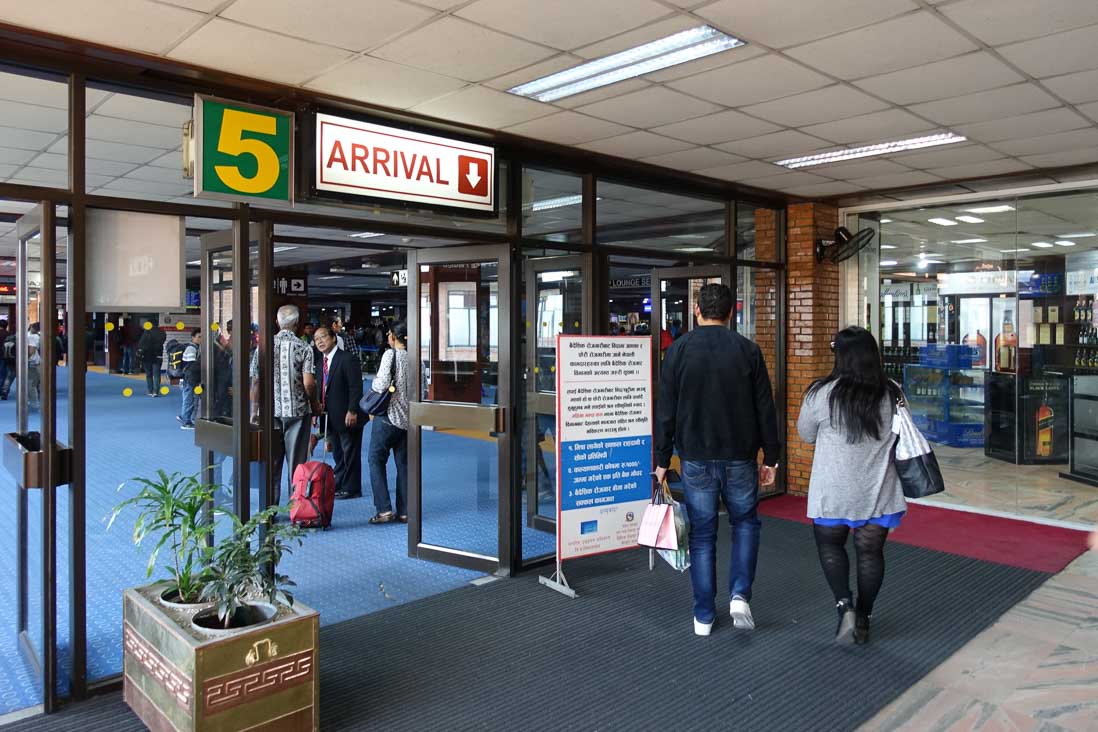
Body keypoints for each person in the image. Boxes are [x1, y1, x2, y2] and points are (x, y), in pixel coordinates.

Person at [654, 283, 779, 637]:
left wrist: (662, 459)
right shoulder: (748, 351)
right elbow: (764, 409)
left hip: (694, 458)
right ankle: (739, 594)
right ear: (731, 313)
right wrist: (771, 457)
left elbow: (666, 412)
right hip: (740, 457)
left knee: (703, 535)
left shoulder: (677, 352)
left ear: (697, 310)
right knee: (745, 524)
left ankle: (704, 616)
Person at [797, 326, 907, 646]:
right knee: (870, 552)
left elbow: (806, 434)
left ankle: (844, 605)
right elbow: (903, 434)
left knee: (831, 546)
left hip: (832, 491)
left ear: (839, 356)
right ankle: (864, 616)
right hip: (878, 491)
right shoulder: (892, 392)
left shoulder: (821, 393)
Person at [250, 305, 319, 506]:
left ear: (277, 322)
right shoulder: (304, 347)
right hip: (297, 412)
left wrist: (254, 411)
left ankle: (270, 509)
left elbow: (255, 382)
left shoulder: (262, 347)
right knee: (297, 464)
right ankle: (296, 508)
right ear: (297, 324)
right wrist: (314, 404)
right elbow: (308, 383)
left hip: (269, 413)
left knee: (272, 462)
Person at [314, 325, 364, 499]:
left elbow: (355, 387)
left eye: (323, 337)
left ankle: (352, 488)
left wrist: (352, 410)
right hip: (330, 417)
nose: (320, 341)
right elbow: (321, 389)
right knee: (337, 452)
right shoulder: (321, 362)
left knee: (350, 452)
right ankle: (340, 482)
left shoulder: (347, 358)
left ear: (334, 338)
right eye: (316, 339)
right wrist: (316, 411)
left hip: (348, 414)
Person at [367, 321, 409, 524]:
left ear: (393, 336)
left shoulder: (390, 355)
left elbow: (381, 383)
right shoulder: (416, 358)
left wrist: (374, 382)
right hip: (408, 420)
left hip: (387, 417)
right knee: (404, 465)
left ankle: (384, 509)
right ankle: (405, 511)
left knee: (375, 460)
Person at [178, 328, 201, 430]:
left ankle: (185, 417)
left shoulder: (195, 347)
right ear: (193, 338)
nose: (201, 339)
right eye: (199, 337)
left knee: (189, 399)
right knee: (190, 400)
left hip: (189, 378)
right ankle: (186, 422)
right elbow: (192, 366)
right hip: (190, 379)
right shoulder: (192, 349)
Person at [137, 320, 166, 397]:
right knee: (156, 374)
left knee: (149, 375)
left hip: (147, 356)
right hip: (158, 356)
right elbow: (162, 342)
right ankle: (156, 391)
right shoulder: (161, 332)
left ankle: (150, 391)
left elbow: (141, 344)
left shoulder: (146, 332)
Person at [26, 322, 41, 408]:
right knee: (32, 385)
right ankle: (33, 403)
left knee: (31, 385)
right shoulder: (34, 336)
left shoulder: (32, 337)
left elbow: (31, 351)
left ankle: (34, 404)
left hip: (32, 363)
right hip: (34, 363)